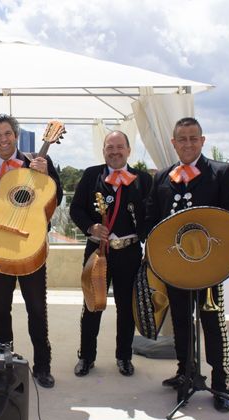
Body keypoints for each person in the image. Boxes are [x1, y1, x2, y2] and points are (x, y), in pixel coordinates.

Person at [145, 117, 229, 412]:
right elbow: (152, 218)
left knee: (213, 324)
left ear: (202, 141)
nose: (187, 144)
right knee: (181, 323)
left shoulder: (222, 172)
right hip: (175, 268)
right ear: (173, 144)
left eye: (193, 138)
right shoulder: (162, 177)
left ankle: (221, 384)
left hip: (209, 267)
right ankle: (185, 373)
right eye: (182, 139)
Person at [0, 114, 63, 388]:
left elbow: (55, 200)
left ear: (16, 135)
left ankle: (43, 366)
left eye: (7, 133)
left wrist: (45, 175)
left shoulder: (38, 162)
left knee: (37, 309)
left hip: (29, 247)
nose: (3, 139)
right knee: (0, 311)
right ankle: (3, 364)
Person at [70, 131, 152, 377]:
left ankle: (124, 357)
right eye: (110, 147)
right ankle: (86, 357)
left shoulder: (143, 179)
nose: (115, 152)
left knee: (126, 308)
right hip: (98, 251)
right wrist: (91, 226)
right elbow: (76, 209)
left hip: (129, 252)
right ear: (103, 150)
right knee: (92, 306)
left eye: (120, 147)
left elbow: (151, 215)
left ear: (128, 150)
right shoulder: (91, 175)